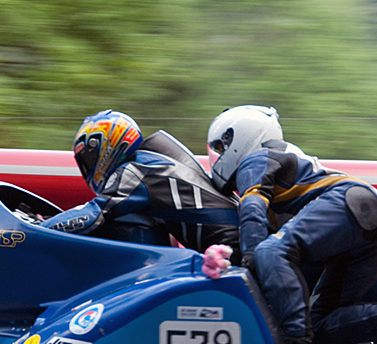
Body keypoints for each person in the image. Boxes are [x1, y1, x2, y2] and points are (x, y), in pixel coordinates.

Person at [206, 105, 377, 344]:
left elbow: (253, 207)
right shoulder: (288, 156)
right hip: (371, 230)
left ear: (239, 139)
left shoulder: (255, 160)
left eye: (221, 148)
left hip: (347, 202)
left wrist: (250, 260)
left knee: (268, 251)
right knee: (317, 326)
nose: (218, 157)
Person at [41, 110, 241, 258]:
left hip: (230, 252)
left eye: (91, 159)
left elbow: (93, 214)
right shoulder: (155, 161)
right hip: (236, 244)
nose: (90, 167)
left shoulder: (137, 171)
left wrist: (38, 229)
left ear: (107, 148)